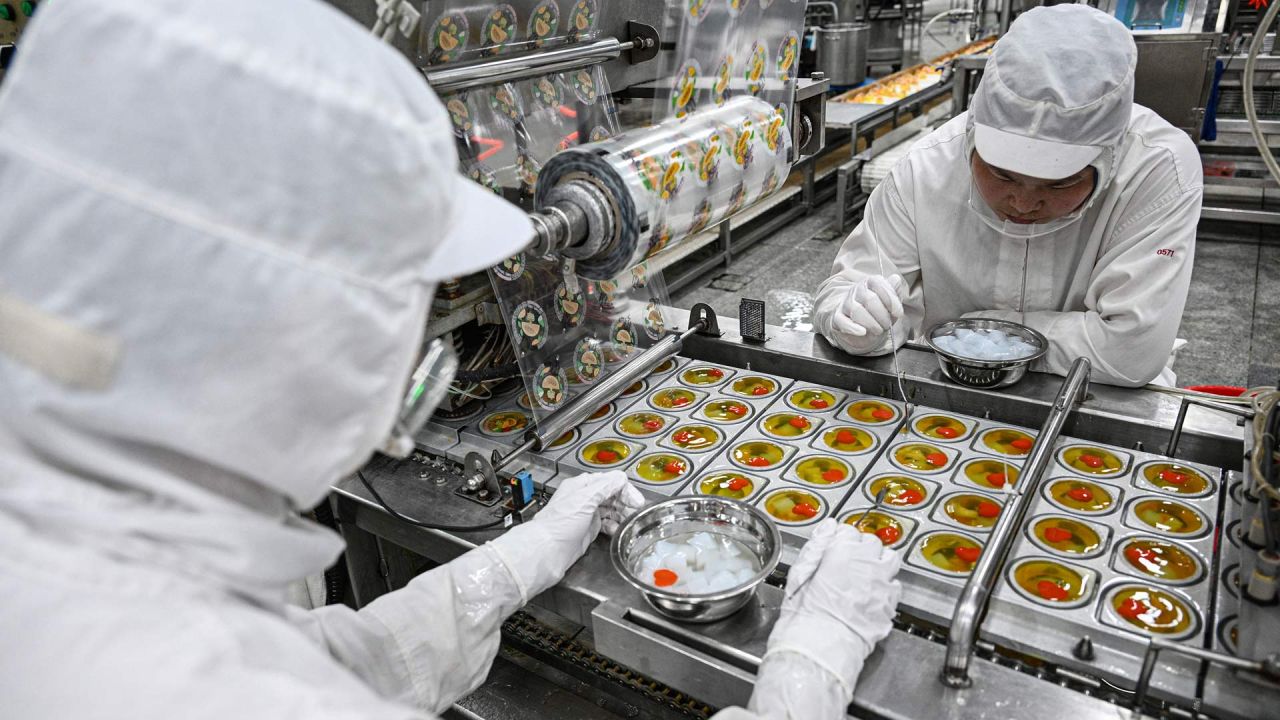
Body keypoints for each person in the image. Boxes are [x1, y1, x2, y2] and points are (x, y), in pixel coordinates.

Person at [0, 1, 899, 719]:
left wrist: (509, 566)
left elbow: (323, 662)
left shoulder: (73, 554)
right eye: (398, 302)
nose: (399, 354)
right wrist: (808, 667)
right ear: (273, 333)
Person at [813, 5, 1203, 388]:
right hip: (950, 386)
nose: (1023, 203)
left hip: (1101, 396)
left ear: (1109, 157)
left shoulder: (1157, 168)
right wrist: (856, 325)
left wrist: (975, 333)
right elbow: (848, 290)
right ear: (973, 139)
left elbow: (1131, 353)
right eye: (1002, 174)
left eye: (1059, 184)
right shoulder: (925, 170)